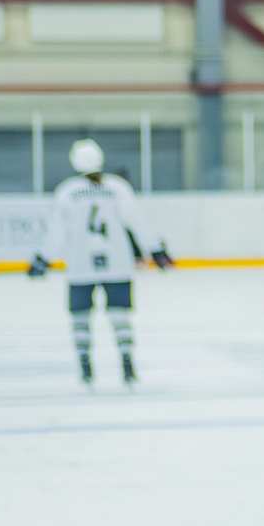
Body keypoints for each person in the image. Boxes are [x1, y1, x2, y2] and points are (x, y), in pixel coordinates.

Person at [26, 138, 172, 387]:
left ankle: (85, 367)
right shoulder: (118, 188)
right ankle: (127, 365)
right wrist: (156, 251)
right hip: (118, 263)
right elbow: (137, 222)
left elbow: (56, 230)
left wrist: (42, 259)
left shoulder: (67, 191)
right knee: (120, 316)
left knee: (80, 318)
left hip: (80, 265)